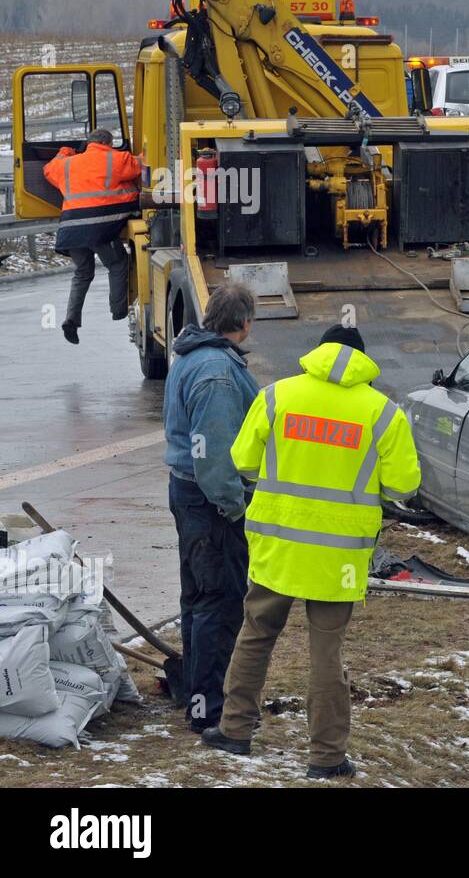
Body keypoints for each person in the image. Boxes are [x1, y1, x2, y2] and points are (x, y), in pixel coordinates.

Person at [203, 325, 421, 779]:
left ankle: (235, 730)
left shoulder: (277, 396)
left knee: (256, 635)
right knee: (327, 653)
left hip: (278, 545)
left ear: (317, 352)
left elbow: (242, 461)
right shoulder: (382, 413)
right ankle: (325, 757)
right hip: (338, 558)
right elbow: (405, 485)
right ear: (362, 360)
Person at [163, 283, 260, 734]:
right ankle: (209, 708)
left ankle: (195, 692)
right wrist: (234, 507)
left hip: (187, 494)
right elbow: (214, 455)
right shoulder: (218, 372)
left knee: (198, 599)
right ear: (243, 322)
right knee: (218, 604)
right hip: (211, 503)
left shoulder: (191, 356)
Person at [42, 128, 142, 345]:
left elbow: (48, 170)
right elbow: (139, 166)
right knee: (117, 263)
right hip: (100, 228)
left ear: (88, 143)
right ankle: (118, 311)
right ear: (109, 143)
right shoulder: (115, 158)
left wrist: (64, 152)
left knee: (82, 273)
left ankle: (71, 318)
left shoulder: (67, 164)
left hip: (71, 229)